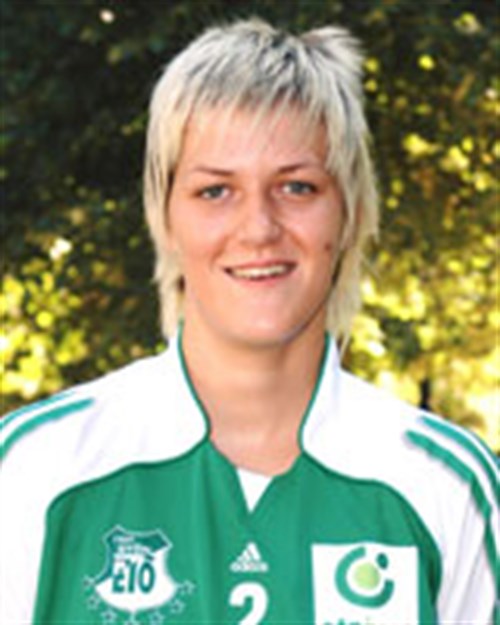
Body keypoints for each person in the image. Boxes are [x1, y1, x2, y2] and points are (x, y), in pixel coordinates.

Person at [1, 17, 497, 625]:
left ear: (347, 213)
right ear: (166, 216)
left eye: (297, 187)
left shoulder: (447, 484)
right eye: (215, 191)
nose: (258, 228)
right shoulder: (36, 469)